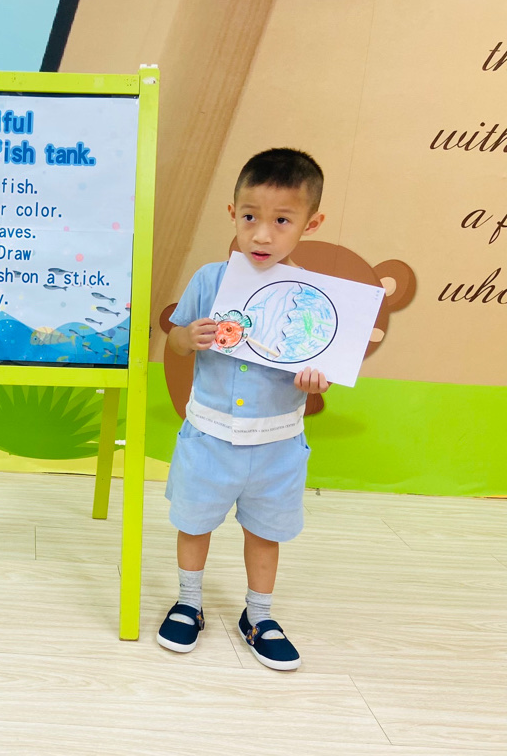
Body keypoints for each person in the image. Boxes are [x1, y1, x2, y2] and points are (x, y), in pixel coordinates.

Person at [157, 147, 330, 671]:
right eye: (250, 217)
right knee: (194, 523)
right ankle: (189, 602)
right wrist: (188, 336)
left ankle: (259, 615)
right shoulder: (209, 280)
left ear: (311, 223)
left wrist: (315, 379)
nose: (262, 235)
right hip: (208, 435)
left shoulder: (314, 300)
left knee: (266, 533)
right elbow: (174, 343)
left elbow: (321, 369)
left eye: (282, 221)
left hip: (277, 443)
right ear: (232, 213)